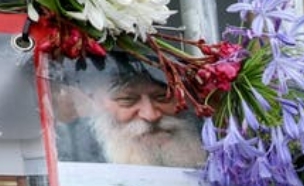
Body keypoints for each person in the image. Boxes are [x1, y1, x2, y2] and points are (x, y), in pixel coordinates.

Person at [49, 54, 206, 168]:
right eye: (127, 100)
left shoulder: (214, 141)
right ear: (94, 103)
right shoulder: (69, 157)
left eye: (162, 97)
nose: (151, 115)